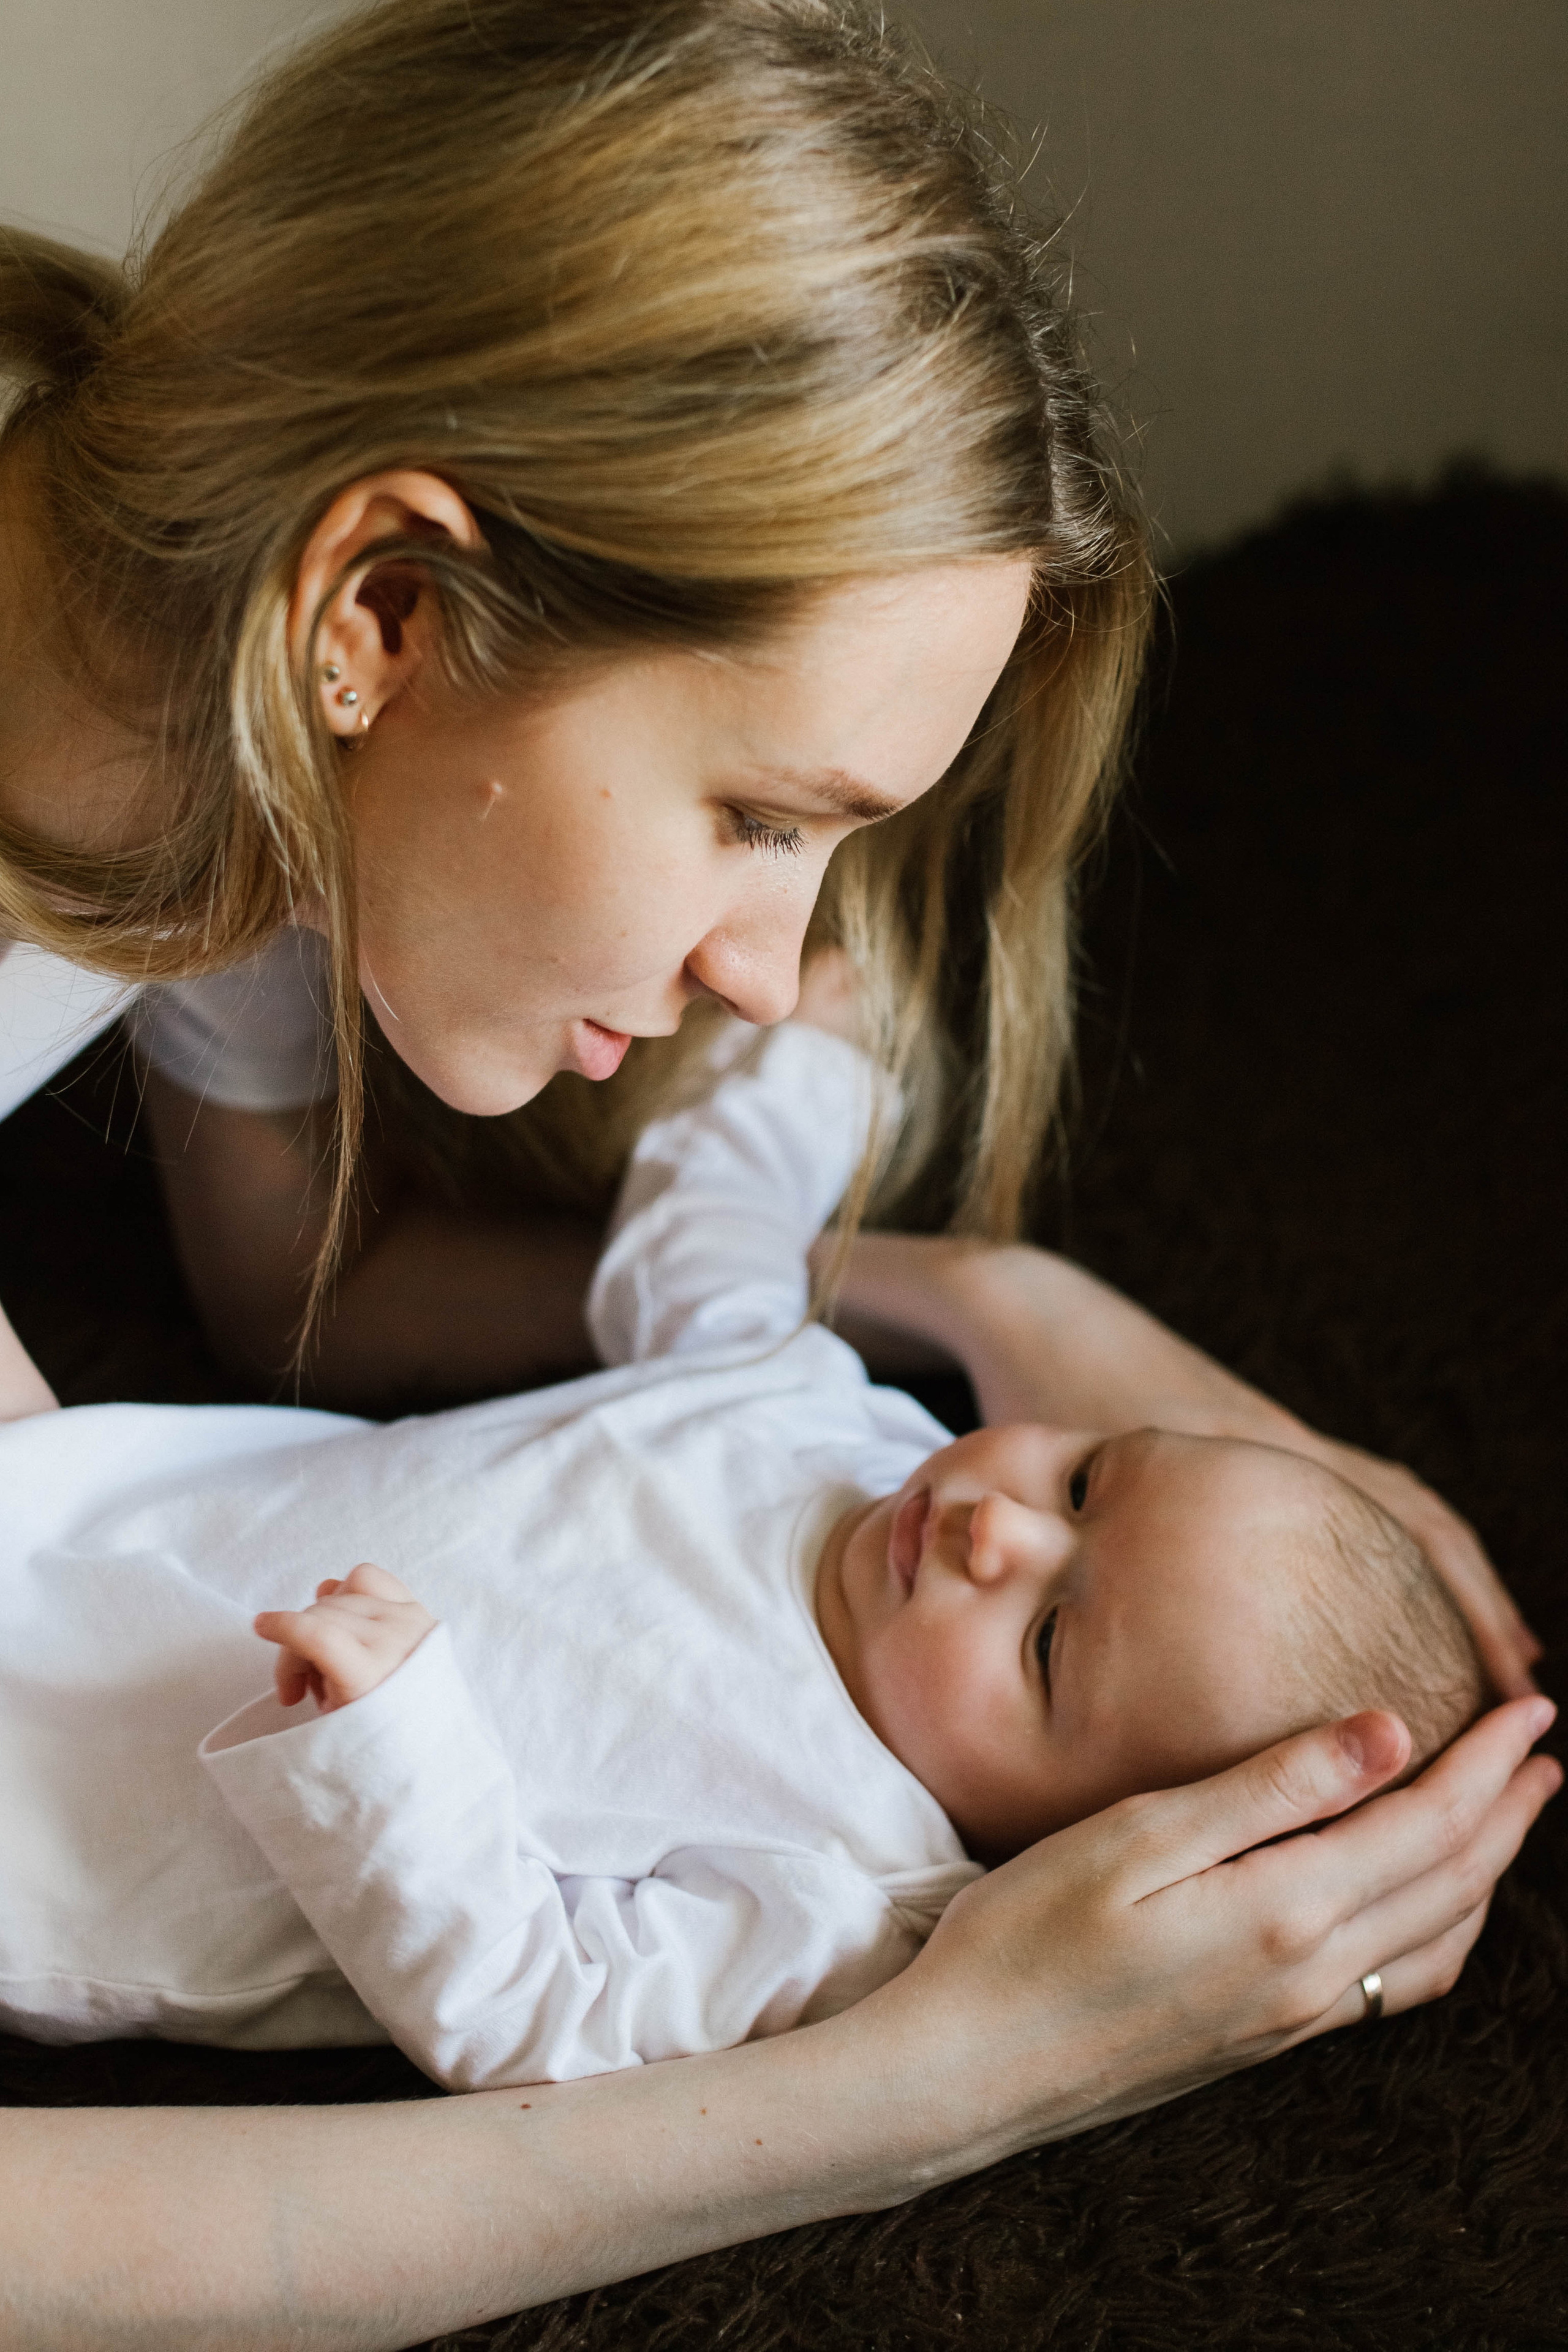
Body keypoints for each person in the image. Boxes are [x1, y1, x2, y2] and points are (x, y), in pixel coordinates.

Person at [0, 0, 1550, 2337]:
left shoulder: (214, 768)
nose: (763, 974)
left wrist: (966, 1294)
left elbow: (300, 1313)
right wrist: (947, 2075)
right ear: (383, 615)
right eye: (758, 817)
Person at [0, 1017, 1494, 2091]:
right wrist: (807, 1066)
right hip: (80, 1504)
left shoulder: (843, 1886)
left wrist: (396, 1754)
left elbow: (536, 2013)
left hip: (64, 1840)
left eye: (1045, 1640)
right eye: (1090, 1477)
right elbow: (700, 1248)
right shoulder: (840, 1425)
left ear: (1070, 1848)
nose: (999, 1526)